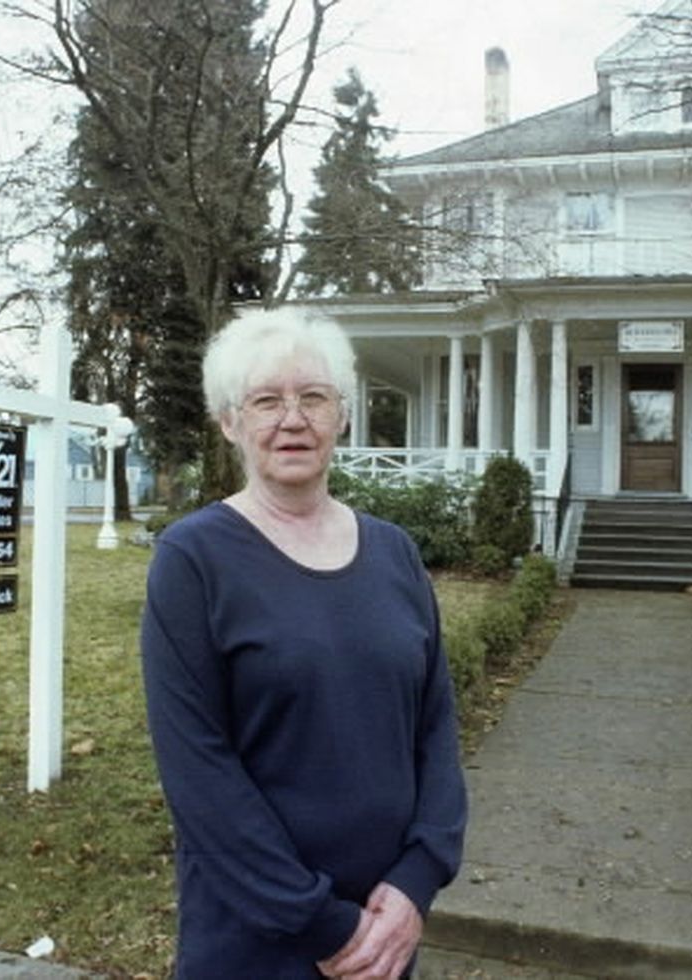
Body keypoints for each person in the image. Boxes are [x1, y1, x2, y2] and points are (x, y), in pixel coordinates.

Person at [140, 308, 468, 979]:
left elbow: (435, 728)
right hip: (256, 939)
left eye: (313, 397)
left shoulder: (395, 553)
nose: (293, 419)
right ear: (230, 422)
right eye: (266, 400)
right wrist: (325, 924)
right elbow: (199, 775)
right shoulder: (193, 560)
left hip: (386, 934)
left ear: (341, 415)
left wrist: (417, 881)